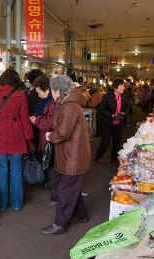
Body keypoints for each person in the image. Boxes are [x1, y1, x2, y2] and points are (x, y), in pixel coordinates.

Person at [41, 74, 91, 236]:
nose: (51, 93)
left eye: (52, 90)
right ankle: (81, 215)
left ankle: (60, 224)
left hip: (73, 157)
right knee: (71, 188)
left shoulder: (69, 106)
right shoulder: (70, 104)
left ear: (57, 90)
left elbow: (63, 133)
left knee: (65, 190)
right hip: (73, 153)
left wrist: (50, 136)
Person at [0, 68, 33, 212]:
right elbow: (24, 120)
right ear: (15, 80)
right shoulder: (20, 95)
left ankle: (1, 205)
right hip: (16, 137)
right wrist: (29, 138)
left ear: (1, 80)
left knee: (2, 170)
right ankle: (16, 204)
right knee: (16, 170)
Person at [29, 75, 57, 200]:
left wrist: (36, 121)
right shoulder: (44, 101)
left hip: (49, 139)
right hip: (43, 138)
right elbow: (41, 114)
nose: (38, 94)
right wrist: (35, 117)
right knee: (47, 163)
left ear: (44, 88)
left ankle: (56, 194)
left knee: (51, 165)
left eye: (38, 91)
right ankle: (53, 189)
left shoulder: (52, 102)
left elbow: (50, 123)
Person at [95, 79, 129, 167]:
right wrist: (112, 115)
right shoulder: (108, 96)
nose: (123, 88)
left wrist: (123, 113)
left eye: (123, 86)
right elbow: (101, 109)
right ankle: (98, 156)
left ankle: (114, 159)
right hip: (107, 121)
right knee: (106, 140)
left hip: (118, 122)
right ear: (115, 87)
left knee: (117, 141)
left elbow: (126, 107)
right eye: (120, 86)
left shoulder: (124, 96)